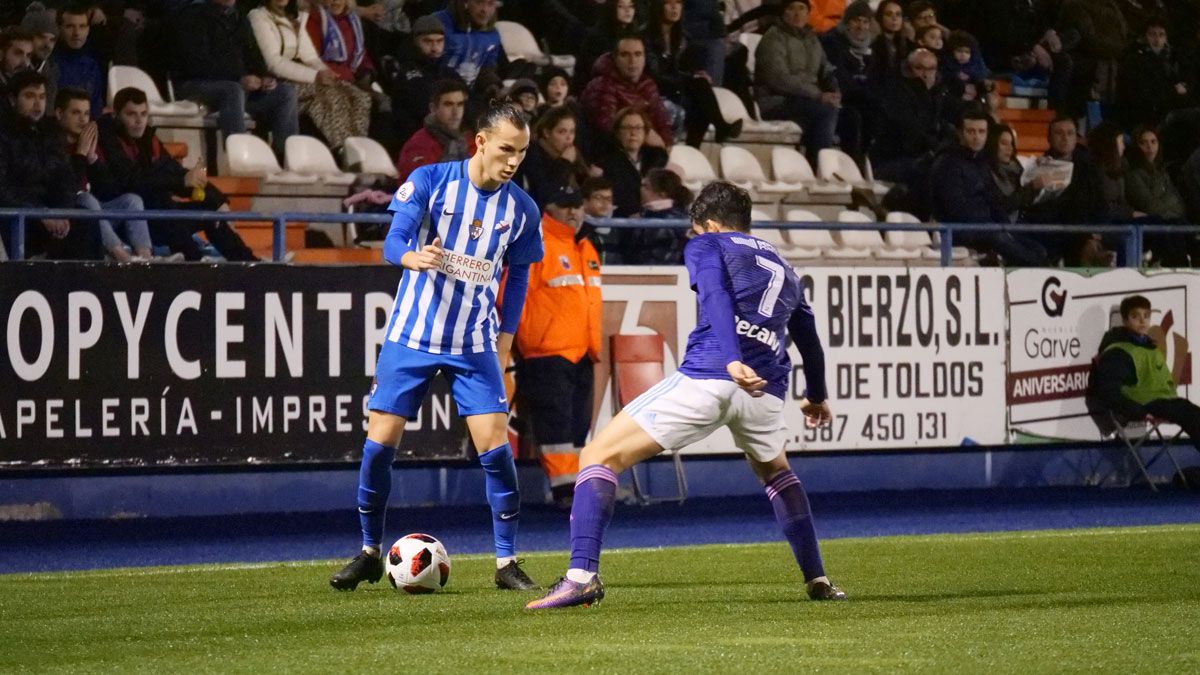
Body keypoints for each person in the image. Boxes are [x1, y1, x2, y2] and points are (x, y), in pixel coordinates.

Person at [525, 180, 845, 609]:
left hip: (713, 375)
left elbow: (713, 293)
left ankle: (581, 576)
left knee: (597, 456)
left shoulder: (707, 245)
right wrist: (818, 395)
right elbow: (808, 336)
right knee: (776, 472)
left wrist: (731, 359)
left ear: (709, 224)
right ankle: (818, 579)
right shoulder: (783, 265)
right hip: (766, 391)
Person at [329, 99, 545, 593]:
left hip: (473, 344)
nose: (513, 161)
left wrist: (505, 344)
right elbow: (392, 240)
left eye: (523, 152)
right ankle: (367, 552)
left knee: (496, 450)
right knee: (379, 447)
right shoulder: (431, 182)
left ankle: (506, 563)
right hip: (411, 337)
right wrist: (411, 256)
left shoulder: (522, 209)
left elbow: (516, 283)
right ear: (481, 142)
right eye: (506, 149)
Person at [509, 184, 603, 509]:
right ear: (549, 209)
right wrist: (525, 340)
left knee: (578, 427)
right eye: (566, 206)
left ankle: (577, 488)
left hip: (582, 353)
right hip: (545, 353)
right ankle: (566, 492)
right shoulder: (537, 244)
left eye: (578, 205)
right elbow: (510, 296)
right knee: (557, 427)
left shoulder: (587, 247)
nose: (574, 212)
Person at [98, 87, 260, 262]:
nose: (139, 121)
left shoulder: (149, 139)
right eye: (131, 114)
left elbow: (175, 172)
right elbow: (132, 181)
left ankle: (249, 263)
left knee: (211, 211)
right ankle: (195, 264)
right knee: (165, 208)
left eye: (143, 114)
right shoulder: (107, 138)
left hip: (161, 216)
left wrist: (218, 200)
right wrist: (182, 181)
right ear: (116, 115)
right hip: (128, 221)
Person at [55, 87, 173, 263]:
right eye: (75, 113)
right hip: (70, 216)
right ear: (59, 114)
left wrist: (92, 160)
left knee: (132, 200)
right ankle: (121, 256)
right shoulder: (52, 145)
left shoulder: (91, 141)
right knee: (87, 199)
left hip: (97, 215)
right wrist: (79, 155)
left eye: (86, 114)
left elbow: (107, 189)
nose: (82, 119)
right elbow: (68, 189)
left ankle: (145, 258)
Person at [172, 0, 300, 157]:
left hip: (237, 87)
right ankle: (239, 158)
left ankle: (286, 159)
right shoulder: (193, 15)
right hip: (196, 84)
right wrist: (238, 78)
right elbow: (198, 64)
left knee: (285, 93)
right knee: (233, 90)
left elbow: (253, 54)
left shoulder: (239, 17)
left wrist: (264, 77)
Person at [0, 71, 99, 260]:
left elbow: (65, 181)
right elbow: (4, 189)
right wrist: (40, 213)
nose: (38, 105)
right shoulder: (4, 134)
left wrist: (61, 213)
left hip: (47, 214)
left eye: (42, 97)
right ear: (13, 100)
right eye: (30, 96)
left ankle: (90, 282)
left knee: (85, 218)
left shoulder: (52, 134)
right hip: (16, 214)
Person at [930, 110, 1048, 266]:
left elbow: (995, 201)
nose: (977, 137)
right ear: (960, 133)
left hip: (987, 227)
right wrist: (991, 224)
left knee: (1039, 250)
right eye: (971, 131)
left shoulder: (981, 162)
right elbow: (956, 209)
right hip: (959, 229)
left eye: (981, 132)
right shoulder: (947, 163)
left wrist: (1006, 227)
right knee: (1011, 246)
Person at [250, 0, 372, 150]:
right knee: (331, 95)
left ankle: (358, 148)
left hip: (304, 77)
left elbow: (309, 56)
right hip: (278, 82)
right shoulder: (259, 17)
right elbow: (274, 63)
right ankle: (342, 149)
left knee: (359, 96)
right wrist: (315, 76)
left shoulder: (295, 17)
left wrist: (326, 72)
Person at [1087, 295, 1200, 449]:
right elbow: (1109, 392)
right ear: (1125, 321)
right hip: (1144, 404)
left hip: (1164, 401)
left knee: (1192, 413)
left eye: (1146, 316)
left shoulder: (1149, 346)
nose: (1142, 321)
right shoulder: (1117, 352)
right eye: (1135, 316)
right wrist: (1138, 412)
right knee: (1191, 416)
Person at [755, 0, 839, 165]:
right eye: (791, 8)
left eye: (802, 8)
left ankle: (851, 172)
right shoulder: (773, 37)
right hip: (777, 101)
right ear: (783, 13)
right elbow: (777, 78)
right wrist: (817, 95)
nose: (797, 13)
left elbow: (826, 70)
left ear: (808, 14)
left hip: (807, 100)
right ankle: (817, 168)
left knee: (851, 117)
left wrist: (834, 89)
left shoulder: (812, 39)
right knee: (824, 113)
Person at [580, 34, 675, 151]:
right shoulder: (601, 85)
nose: (633, 60)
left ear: (645, 58)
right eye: (625, 55)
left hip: (644, 152)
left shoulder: (648, 84)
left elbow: (661, 119)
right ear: (614, 58)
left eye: (638, 54)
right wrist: (645, 133)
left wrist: (667, 144)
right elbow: (606, 129)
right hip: (611, 154)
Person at [380, 13, 460, 143]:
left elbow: (469, 100)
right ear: (415, 42)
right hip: (415, 138)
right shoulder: (407, 72)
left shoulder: (448, 72)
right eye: (428, 42)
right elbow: (422, 106)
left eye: (439, 41)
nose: (435, 48)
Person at [394, 78, 476, 182]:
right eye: (448, 104)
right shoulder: (419, 145)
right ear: (433, 108)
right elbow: (420, 187)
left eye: (460, 105)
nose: (456, 112)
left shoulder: (469, 141)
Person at [593, 107, 669, 218]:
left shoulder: (656, 159)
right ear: (618, 132)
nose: (633, 133)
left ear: (645, 133)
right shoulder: (607, 162)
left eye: (638, 128)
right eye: (627, 128)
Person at [513, 104, 592, 208]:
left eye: (572, 132)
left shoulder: (572, 155)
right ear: (546, 132)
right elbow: (544, 195)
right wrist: (564, 163)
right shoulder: (531, 154)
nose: (569, 138)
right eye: (562, 132)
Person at [52, 4, 104, 117]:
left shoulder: (92, 65)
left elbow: (96, 109)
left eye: (82, 26)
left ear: (88, 29)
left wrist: (94, 124)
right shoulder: (49, 64)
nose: (77, 33)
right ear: (59, 28)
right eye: (70, 26)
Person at [21, 3, 59, 109]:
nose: (47, 45)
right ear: (27, 37)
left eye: (52, 40)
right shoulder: (13, 69)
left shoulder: (52, 71)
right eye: (41, 37)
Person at [0, 28, 34, 95]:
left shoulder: (34, 83)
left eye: (28, 55)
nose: (25, 63)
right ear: (1, 54)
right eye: (18, 53)